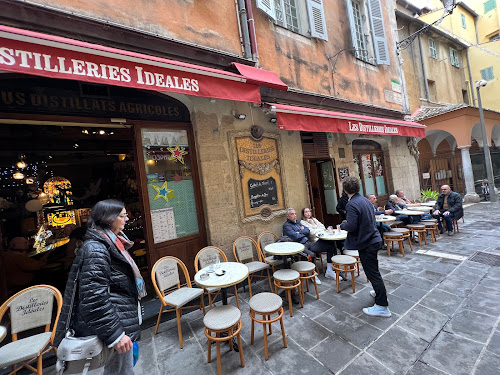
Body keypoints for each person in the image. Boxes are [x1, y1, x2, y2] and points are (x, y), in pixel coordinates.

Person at [55, 199, 147, 374]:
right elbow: (94, 298)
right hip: (114, 323)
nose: (127, 218)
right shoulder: (96, 249)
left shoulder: (114, 242)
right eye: (123, 215)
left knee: (122, 368)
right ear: (108, 218)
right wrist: (116, 335)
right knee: (120, 370)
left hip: (120, 317)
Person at [340, 177, 391, 318]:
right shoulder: (364, 200)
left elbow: (351, 225)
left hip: (366, 242)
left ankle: (382, 306)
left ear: (345, 189)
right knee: (373, 271)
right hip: (373, 239)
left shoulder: (351, 204)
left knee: (372, 273)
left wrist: (342, 225)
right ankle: (378, 292)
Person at [283, 208, 340, 283]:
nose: (294, 216)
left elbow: (308, 231)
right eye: (292, 214)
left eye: (295, 214)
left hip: (308, 242)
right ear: (287, 216)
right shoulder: (287, 226)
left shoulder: (298, 222)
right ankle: (312, 274)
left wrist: (299, 232)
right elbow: (296, 236)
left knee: (330, 246)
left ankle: (329, 271)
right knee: (311, 255)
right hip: (299, 246)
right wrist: (301, 232)